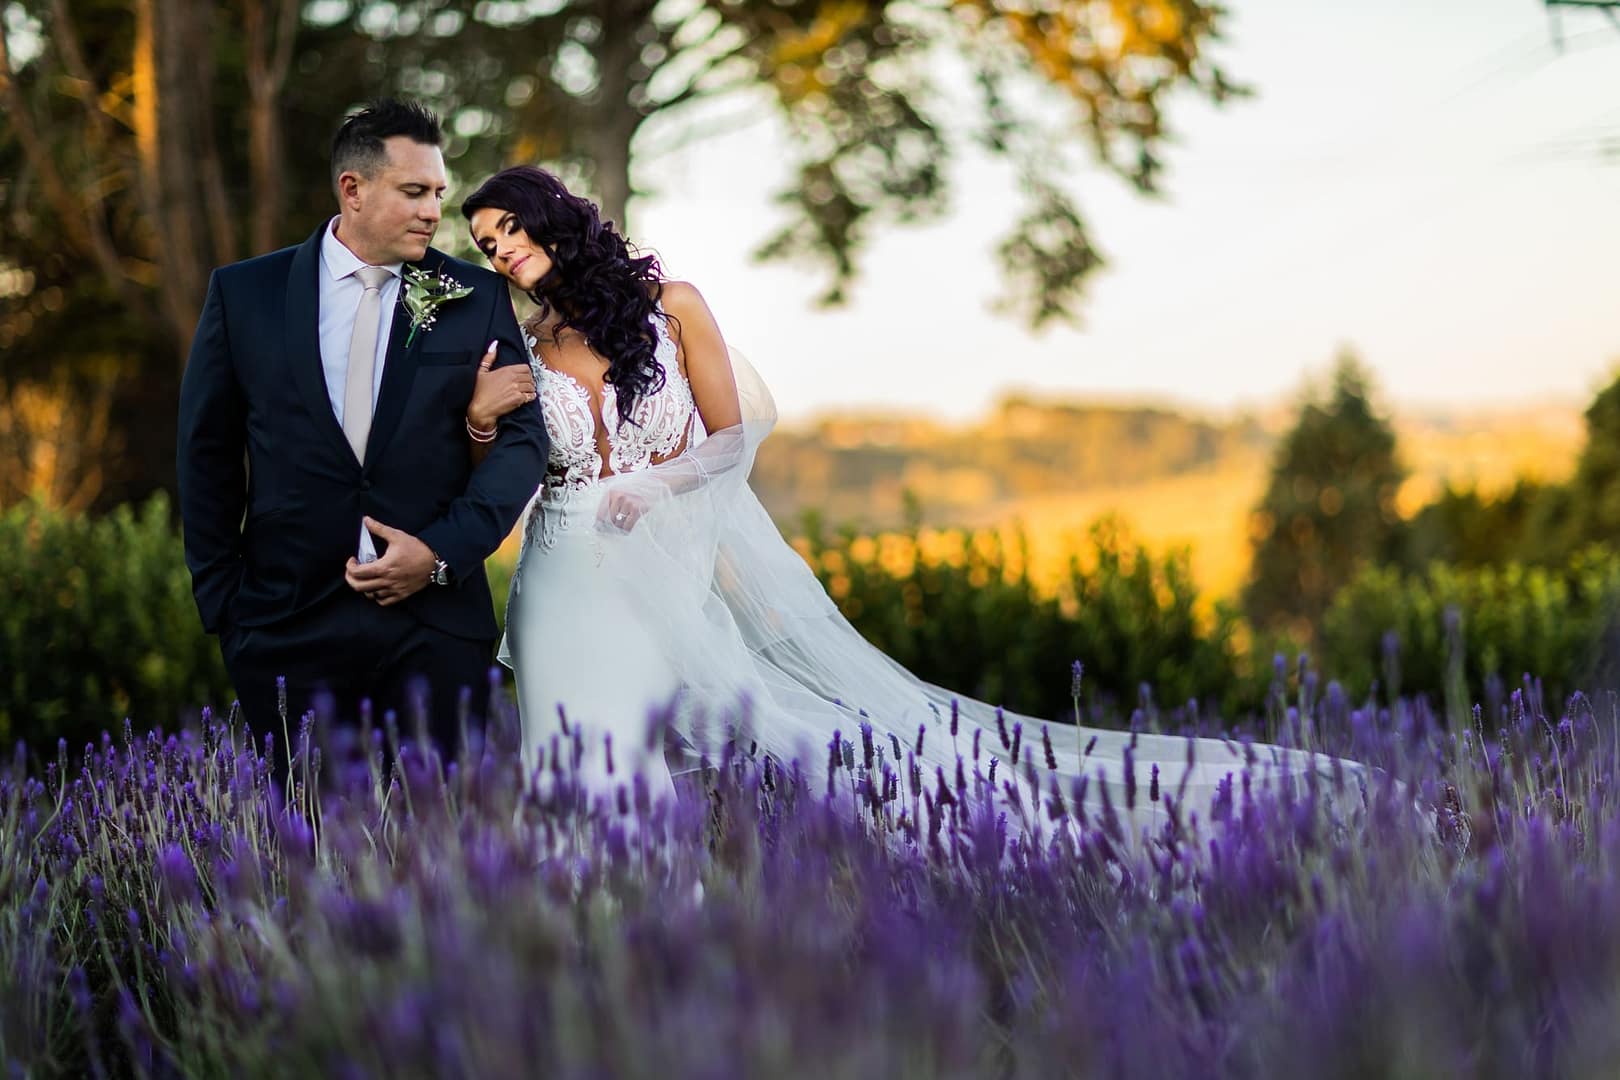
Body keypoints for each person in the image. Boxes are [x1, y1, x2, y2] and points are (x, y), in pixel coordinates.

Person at [461, 165, 1350, 834]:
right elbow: (502, 460)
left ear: (553, 222)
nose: (499, 252)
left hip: (657, 564)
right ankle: (588, 935)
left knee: (717, 736)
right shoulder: (522, 342)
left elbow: (734, 437)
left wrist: (657, 482)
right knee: (567, 761)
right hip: (561, 575)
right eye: (486, 245)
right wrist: (475, 420)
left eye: (506, 230)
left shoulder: (674, 304)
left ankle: (970, 832)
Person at [177, 101, 549, 772]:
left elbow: (525, 444)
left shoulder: (473, 295)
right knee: (309, 855)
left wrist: (440, 552)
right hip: (285, 629)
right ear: (352, 189)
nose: (434, 211)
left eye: (438, 192)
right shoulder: (244, 294)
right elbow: (207, 454)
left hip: (434, 631)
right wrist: (226, 609)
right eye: (415, 191)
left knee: (440, 860)